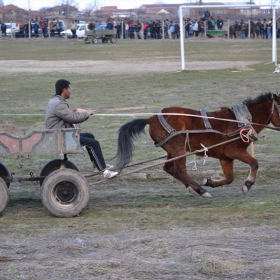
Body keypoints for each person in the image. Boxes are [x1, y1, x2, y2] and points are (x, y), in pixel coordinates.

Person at [45, 79, 118, 179]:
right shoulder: (58, 104)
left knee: (90, 136)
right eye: (69, 88)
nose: (70, 91)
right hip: (62, 136)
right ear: (64, 90)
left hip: (62, 133)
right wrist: (86, 113)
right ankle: (103, 171)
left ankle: (97, 166)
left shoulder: (56, 101)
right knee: (94, 143)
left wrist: (74, 113)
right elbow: (73, 119)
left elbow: (67, 116)